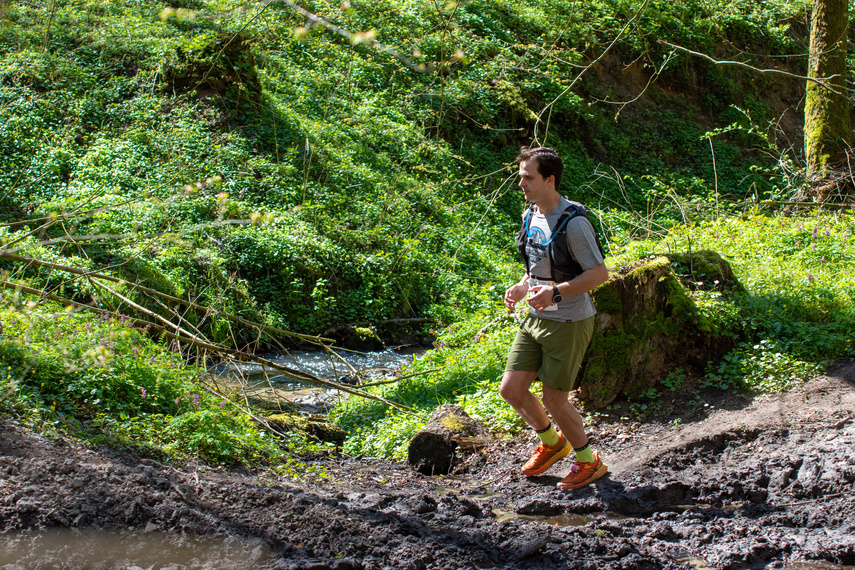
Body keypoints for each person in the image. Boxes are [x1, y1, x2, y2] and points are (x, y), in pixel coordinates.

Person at [500, 146, 610, 490]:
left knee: (555, 400)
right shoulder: (530, 214)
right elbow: (537, 267)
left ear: (550, 180)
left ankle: (589, 462)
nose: (521, 184)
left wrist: (556, 292)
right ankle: (552, 443)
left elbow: (599, 274)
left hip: (569, 321)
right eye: (520, 177)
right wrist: (522, 286)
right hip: (535, 317)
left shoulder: (574, 222)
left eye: (528, 177)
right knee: (512, 389)